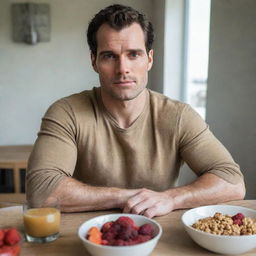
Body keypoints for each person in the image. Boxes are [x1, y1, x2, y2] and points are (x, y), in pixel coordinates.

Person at [26, 4, 245, 218]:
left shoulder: (179, 116)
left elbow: (232, 182)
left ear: (149, 59)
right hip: (84, 237)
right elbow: (41, 192)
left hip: (159, 236)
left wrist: (171, 199)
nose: (123, 69)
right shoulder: (66, 113)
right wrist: (131, 197)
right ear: (94, 61)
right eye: (109, 56)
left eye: (133, 54)